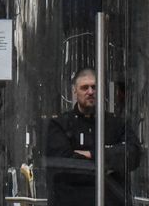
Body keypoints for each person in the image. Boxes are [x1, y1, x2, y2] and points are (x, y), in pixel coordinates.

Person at [44, 68, 142, 206]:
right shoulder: (59, 125)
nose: (90, 92)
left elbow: (133, 154)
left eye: (94, 87)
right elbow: (63, 166)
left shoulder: (117, 123)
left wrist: (91, 154)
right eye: (84, 87)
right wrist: (110, 164)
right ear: (74, 90)